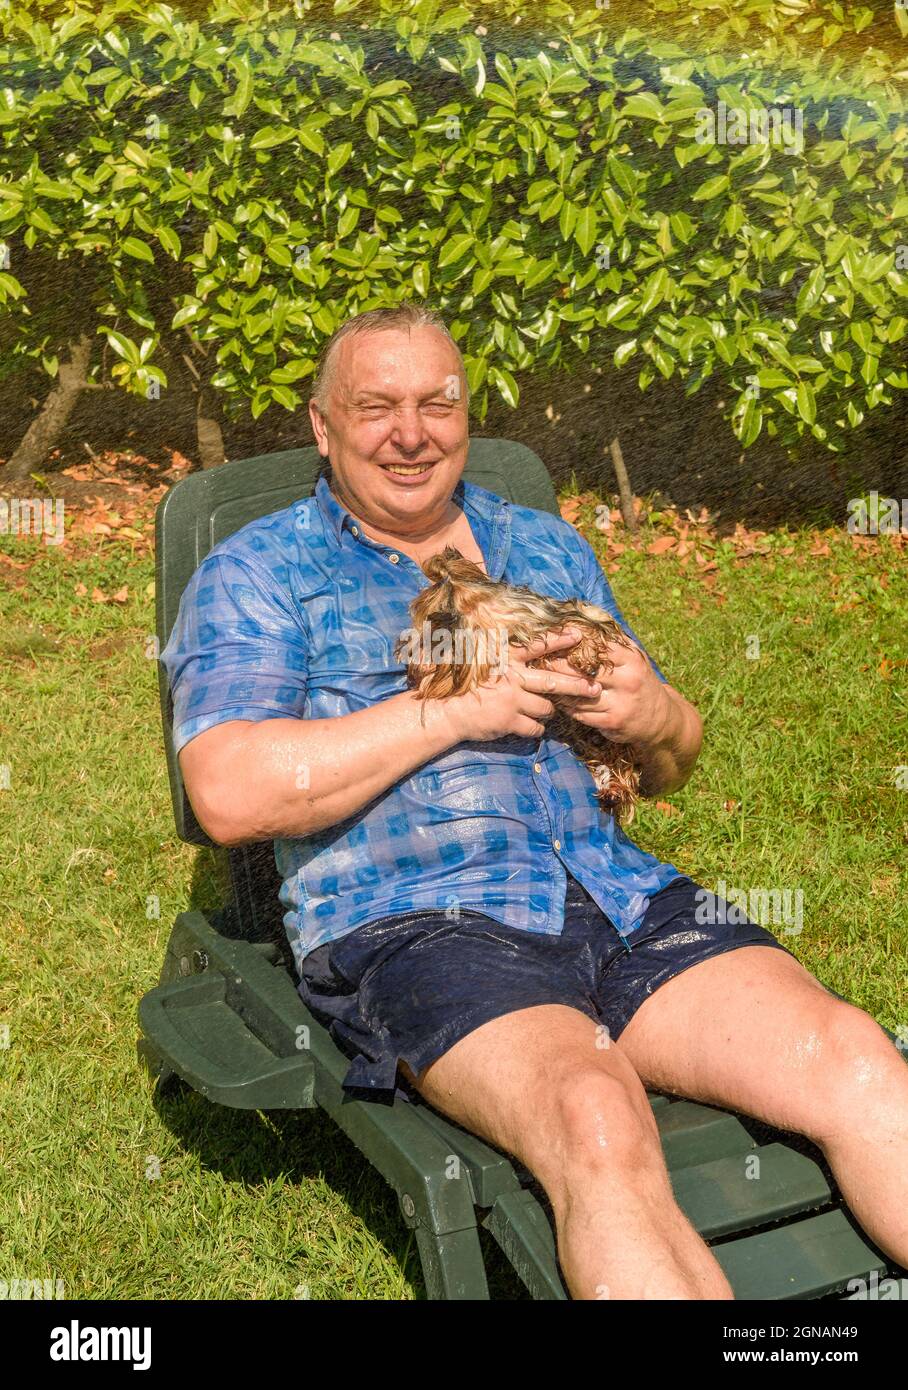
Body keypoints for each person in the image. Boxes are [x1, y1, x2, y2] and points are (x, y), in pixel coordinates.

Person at [161, 303, 908, 1300]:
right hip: (420, 922)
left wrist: (653, 709)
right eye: (375, 406)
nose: (411, 432)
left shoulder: (545, 549)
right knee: (594, 1115)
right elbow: (225, 788)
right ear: (321, 424)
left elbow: (672, 760)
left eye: (438, 402)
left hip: (617, 896)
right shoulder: (261, 573)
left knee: (853, 1055)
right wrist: (448, 716)